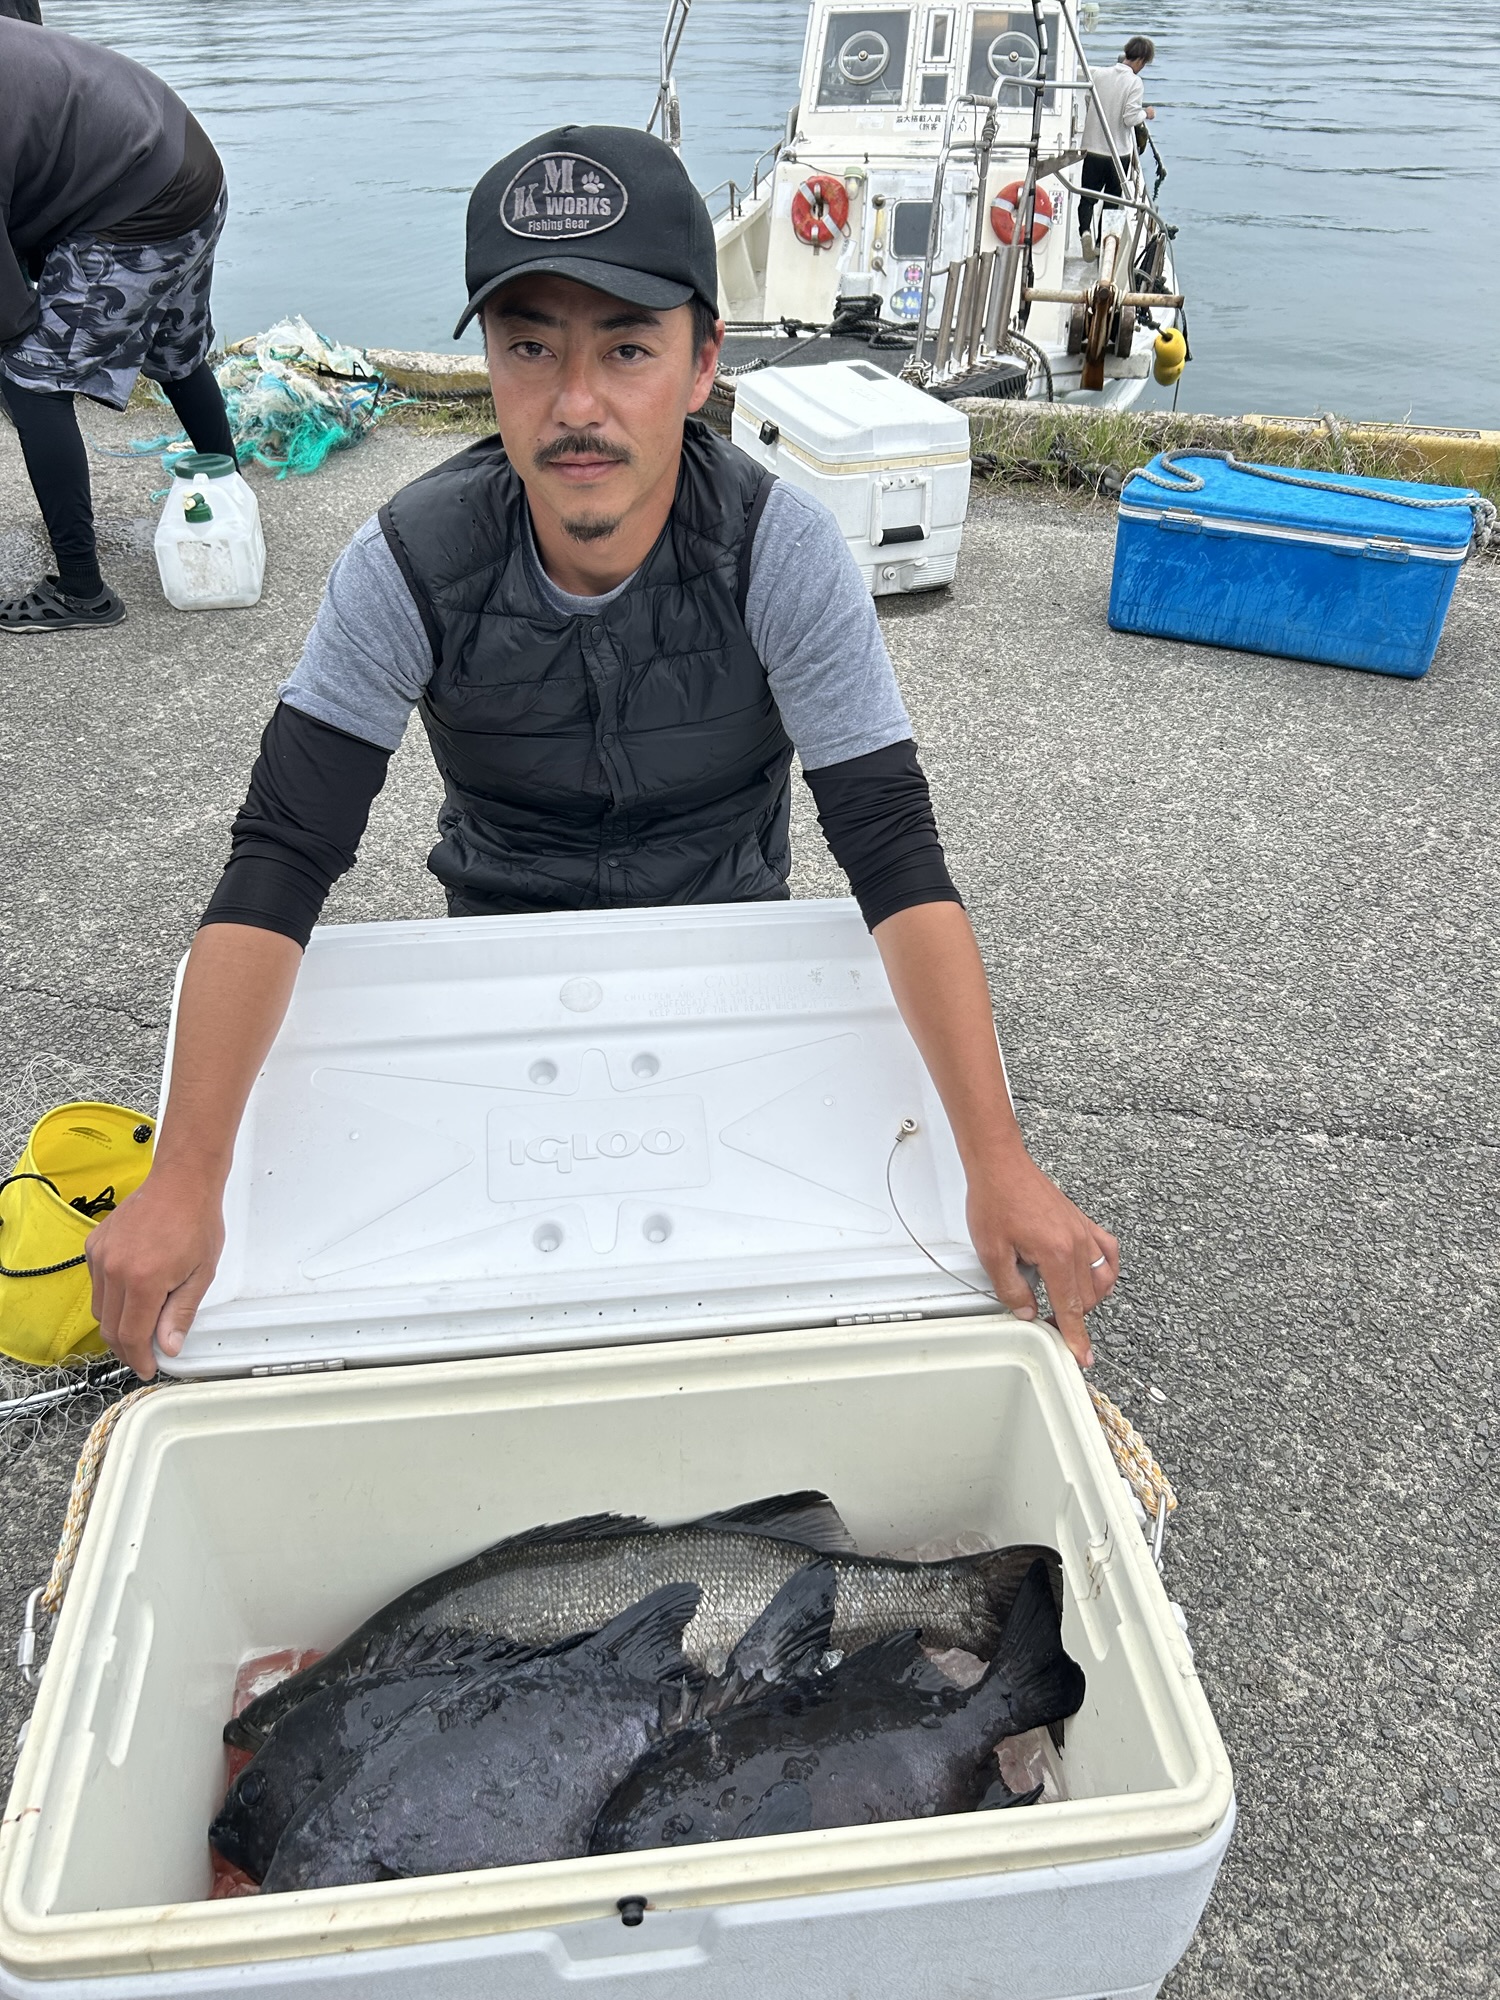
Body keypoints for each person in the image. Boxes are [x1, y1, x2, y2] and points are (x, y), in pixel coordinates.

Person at [84, 124, 1119, 1378]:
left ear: (702, 363)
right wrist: (185, 1176)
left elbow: (895, 855)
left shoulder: (783, 552)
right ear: (490, 360)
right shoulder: (405, 563)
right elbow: (281, 857)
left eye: (628, 348)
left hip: (729, 951)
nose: (577, 404)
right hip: (500, 959)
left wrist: (1000, 1161)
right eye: (531, 347)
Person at [0, 18, 237, 633]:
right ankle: (231, 502)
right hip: (189, 166)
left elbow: (8, 312)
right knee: (176, 352)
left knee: (30, 377)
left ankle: (82, 592)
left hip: (139, 203)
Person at [1077, 35, 1156, 260]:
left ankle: (1085, 233)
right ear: (1140, 60)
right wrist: (1146, 113)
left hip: (1092, 148)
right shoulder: (1134, 82)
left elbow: (1088, 100)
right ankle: (1103, 247)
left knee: (1087, 197)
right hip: (1118, 152)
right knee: (1113, 202)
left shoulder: (1100, 75)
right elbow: (1130, 118)